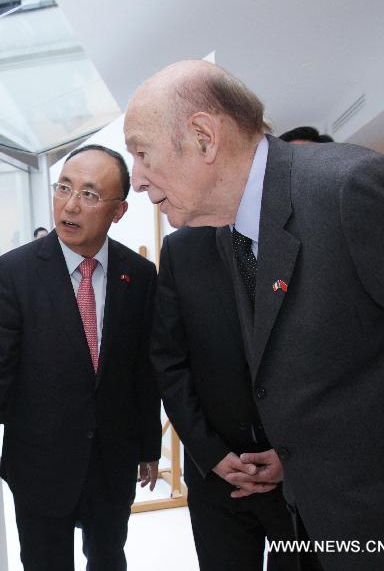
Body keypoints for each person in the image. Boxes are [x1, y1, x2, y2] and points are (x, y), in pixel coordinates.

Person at [124, 60, 384, 570]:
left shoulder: (352, 188)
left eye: (143, 153)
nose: (136, 179)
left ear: (203, 137)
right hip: (319, 532)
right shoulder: (237, 233)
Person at [0, 145, 161, 570]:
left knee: (108, 559)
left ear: (118, 211)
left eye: (88, 194)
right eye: (63, 187)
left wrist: (148, 445)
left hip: (112, 459)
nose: (69, 205)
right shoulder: (12, 275)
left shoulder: (138, 276)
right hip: (40, 463)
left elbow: (142, 368)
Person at [152, 227, 297, 570]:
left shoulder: (303, 228)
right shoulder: (181, 248)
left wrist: (292, 456)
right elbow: (169, 362)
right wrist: (212, 453)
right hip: (216, 478)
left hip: (300, 476)